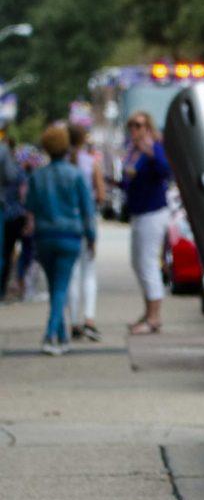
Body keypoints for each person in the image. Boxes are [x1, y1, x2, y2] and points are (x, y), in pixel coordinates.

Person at [24, 124, 95, 355]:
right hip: (69, 236)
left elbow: (30, 206)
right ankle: (50, 334)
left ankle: (63, 336)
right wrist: (92, 237)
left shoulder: (38, 176)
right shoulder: (74, 175)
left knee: (56, 287)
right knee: (61, 287)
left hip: (44, 236)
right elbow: (87, 210)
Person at [120, 111, 171, 334]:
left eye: (139, 125)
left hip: (153, 212)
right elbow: (129, 180)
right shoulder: (132, 152)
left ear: (148, 127)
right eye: (132, 126)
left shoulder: (154, 148)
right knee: (137, 262)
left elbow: (165, 171)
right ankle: (148, 310)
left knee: (148, 262)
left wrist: (150, 153)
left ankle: (154, 317)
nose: (135, 130)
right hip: (138, 211)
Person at [67, 124, 105, 341]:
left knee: (71, 274)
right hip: (86, 222)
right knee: (88, 272)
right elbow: (100, 195)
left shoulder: (60, 164)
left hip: (65, 226)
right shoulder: (91, 164)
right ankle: (89, 319)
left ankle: (73, 322)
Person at [0, 124, 27, 301]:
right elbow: (11, 177)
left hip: (8, 210)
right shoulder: (3, 152)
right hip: (7, 210)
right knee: (5, 252)